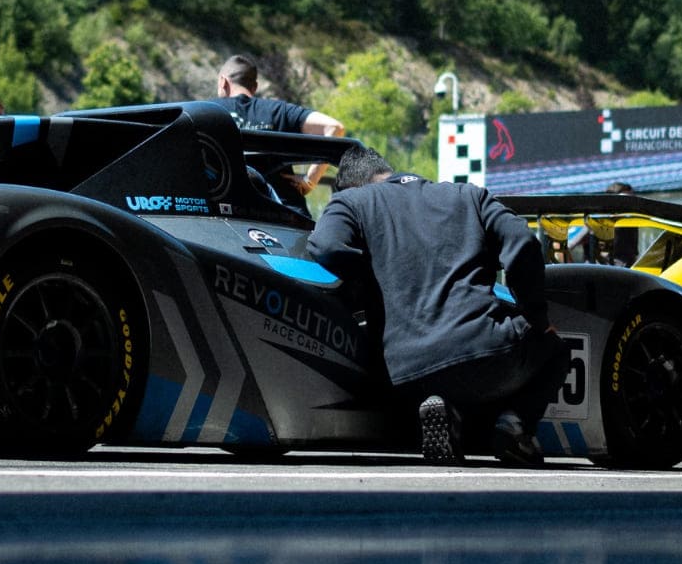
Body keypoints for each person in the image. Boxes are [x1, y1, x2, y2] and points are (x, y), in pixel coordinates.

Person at [306, 145, 559, 466]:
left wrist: (373, 277)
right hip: (484, 350)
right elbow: (523, 241)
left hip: (402, 369)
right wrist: (535, 316)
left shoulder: (351, 201)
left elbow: (326, 245)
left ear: (350, 186)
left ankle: (445, 411)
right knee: (553, 348)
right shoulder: (470, 195)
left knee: (434, 385)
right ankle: (514, 427)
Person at [210, 55, 344, 208]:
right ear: (254, 87)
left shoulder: (206, 111)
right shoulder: (279, 110)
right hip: (284, 212)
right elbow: (334, 127)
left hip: (227, 209)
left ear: (223, 82)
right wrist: (310, 180)